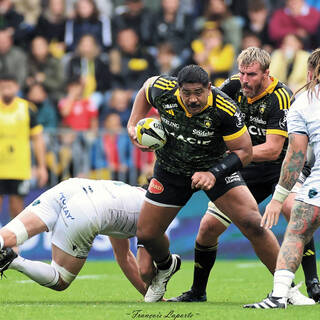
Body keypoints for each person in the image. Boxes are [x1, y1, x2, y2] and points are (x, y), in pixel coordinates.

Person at [169, 47, 317, 304]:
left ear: (266, 74)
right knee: (207, 229)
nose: (245, 80)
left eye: (251, 74)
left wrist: (230, 150)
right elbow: (207, 104)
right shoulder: (232, 85)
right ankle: (197, 291)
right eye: (242, 73)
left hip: (278, 170)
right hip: (244, 170)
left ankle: (312, 283)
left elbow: (272, 150)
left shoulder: (281, 97)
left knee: (294, 211)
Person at [127, 64, 281, 303]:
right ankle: (167, 265)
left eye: (198, 92)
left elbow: (245, 152)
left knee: (253, 223)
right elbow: (145, 89)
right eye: (186, 93)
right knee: (146, 235)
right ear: (178, 89)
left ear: (209, 88)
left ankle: (285, 289)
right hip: (170, 170)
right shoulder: (163, 89)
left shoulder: (225, 108)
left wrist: (213, 173)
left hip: (215, 168)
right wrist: (133, 124)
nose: (192, 99)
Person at [244, 47, 320, 309]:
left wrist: (277, 199)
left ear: (309, 73)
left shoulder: (302, 102)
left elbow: (295, 156)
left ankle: (278, 296)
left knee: (297, 231)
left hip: (315, 181)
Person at [0, 178, 154, 295]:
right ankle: (13, 260)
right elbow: (144, 267)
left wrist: (148, 295)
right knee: (60, 280)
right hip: (87, 206)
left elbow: (124, 256)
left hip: (69, 187)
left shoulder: (125, 191)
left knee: (7, 237)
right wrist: (156, 291)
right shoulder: (151, 210)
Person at [0, 74, 48, 220]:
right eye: (3, 87)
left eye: (9, 86)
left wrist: (42, 166)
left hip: (19, 167)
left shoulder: (27, 108)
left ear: (16, 87)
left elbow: (38, 139)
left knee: (17, 207)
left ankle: (15, 243)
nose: (6, 90)